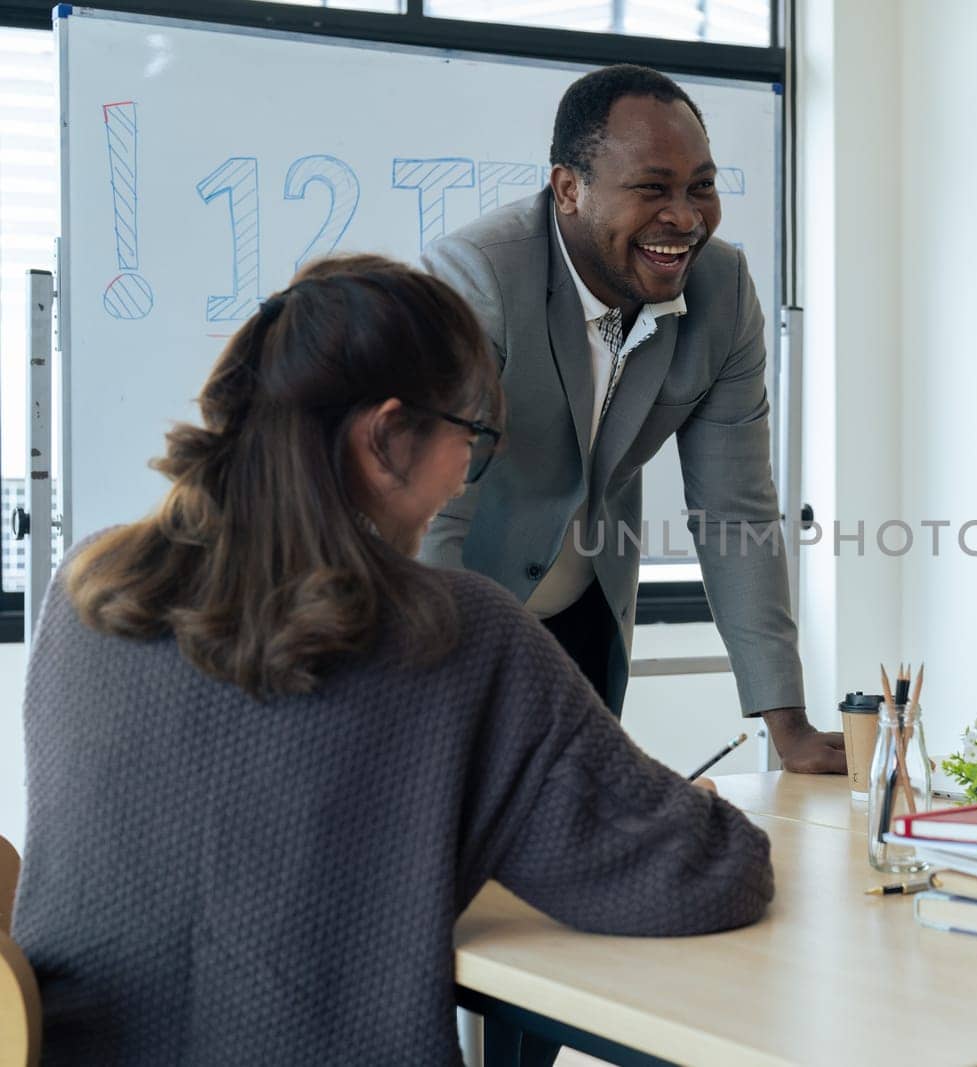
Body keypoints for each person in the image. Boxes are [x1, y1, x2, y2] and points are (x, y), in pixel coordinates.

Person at [12, 255, 773, 1064]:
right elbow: (707, 872)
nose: (466, 475)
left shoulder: (86, 596)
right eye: (472, 437)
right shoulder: (454, 634)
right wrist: (686, 808)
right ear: (383, 437)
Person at [420, 64, 844, 773]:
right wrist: (443, 687)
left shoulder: (724, 291)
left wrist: (789, 726)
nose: (684, 217)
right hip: (458, 614)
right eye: (652, 188)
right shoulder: (477, 278)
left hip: (588, 614)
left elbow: (736, 512)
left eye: (701, 187)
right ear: (568, 190)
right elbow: (435, 511)